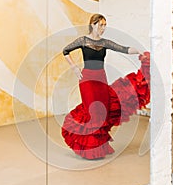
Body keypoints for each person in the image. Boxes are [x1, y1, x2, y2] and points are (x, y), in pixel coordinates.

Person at [61, 13, 150, 160]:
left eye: (104, 25)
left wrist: (139, 51)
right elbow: (65, 51)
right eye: (101, 25)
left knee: (102, 112)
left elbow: (123, 49)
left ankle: (99, 147)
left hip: (101, 78)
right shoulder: (83, 40)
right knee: (93, 112)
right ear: (93, 24)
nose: (103, 28)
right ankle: (90, 149)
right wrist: (74, 68)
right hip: (87, 80)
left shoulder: (104, 42)